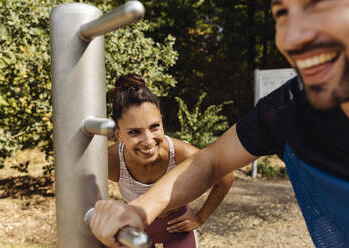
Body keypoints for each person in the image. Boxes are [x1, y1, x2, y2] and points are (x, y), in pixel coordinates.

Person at [90, 1, 349, 247]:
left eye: (318, 5)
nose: (292, 37)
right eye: (282, 13)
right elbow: (212, 161)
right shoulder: (285, 110)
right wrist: (138, 211)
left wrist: (200, 215)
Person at [93, 74, 234, 248]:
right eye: (134, 132)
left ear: (162, 121)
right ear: (119, 134)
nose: (148, 141)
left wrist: (201, 217)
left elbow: (226, 177)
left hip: (177, 229)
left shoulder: (182, 154)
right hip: (134, 232)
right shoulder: (111, 161)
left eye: (154, 127)